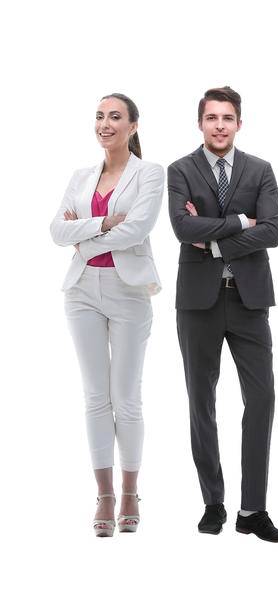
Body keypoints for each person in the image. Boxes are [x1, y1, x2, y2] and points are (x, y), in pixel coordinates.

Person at [167, 86, 278, 542]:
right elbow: (182, 227)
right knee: (202, 402)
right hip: (197, 302)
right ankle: (213, 503)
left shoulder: (261, 170)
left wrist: (213, 239)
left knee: (262, 399)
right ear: (200, 122)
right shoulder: (180, 170)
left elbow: (274, 231)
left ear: (240, 122)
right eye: (212, 118)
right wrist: (242, 223)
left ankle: (252, 510)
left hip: (249, 300)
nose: (220, 125)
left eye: (228, 118)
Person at [50, 93, 162, 538]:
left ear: (132, 126)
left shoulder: (149, 173)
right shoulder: (80, 176)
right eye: (100, 116)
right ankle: (105, 495)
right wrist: (102, 224)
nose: (105, 123)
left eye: (115, 116)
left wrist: (84, 237)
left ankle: (131, 491)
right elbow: (57, 230)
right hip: (80, 291)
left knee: (126, 396)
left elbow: (138, 227)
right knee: (95, 395)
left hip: (129, 290)